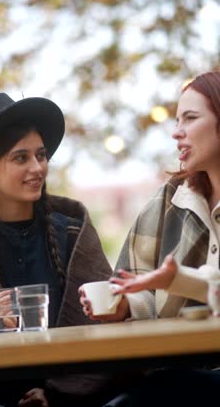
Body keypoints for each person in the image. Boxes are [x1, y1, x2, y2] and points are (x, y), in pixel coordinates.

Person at [0, 92, 126, 407]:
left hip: (72, 396)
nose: (37, 167)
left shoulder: (73, 232)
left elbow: (106, 322)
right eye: (21, 158)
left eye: (41, 155)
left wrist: (58, 394)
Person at [79, 70, 220, 406]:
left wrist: (177, 280)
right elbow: (138, 284)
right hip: (177, 373)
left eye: (190, 118)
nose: (177, 132)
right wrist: (124, 305)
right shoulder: (168, 201)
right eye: (176, 119)